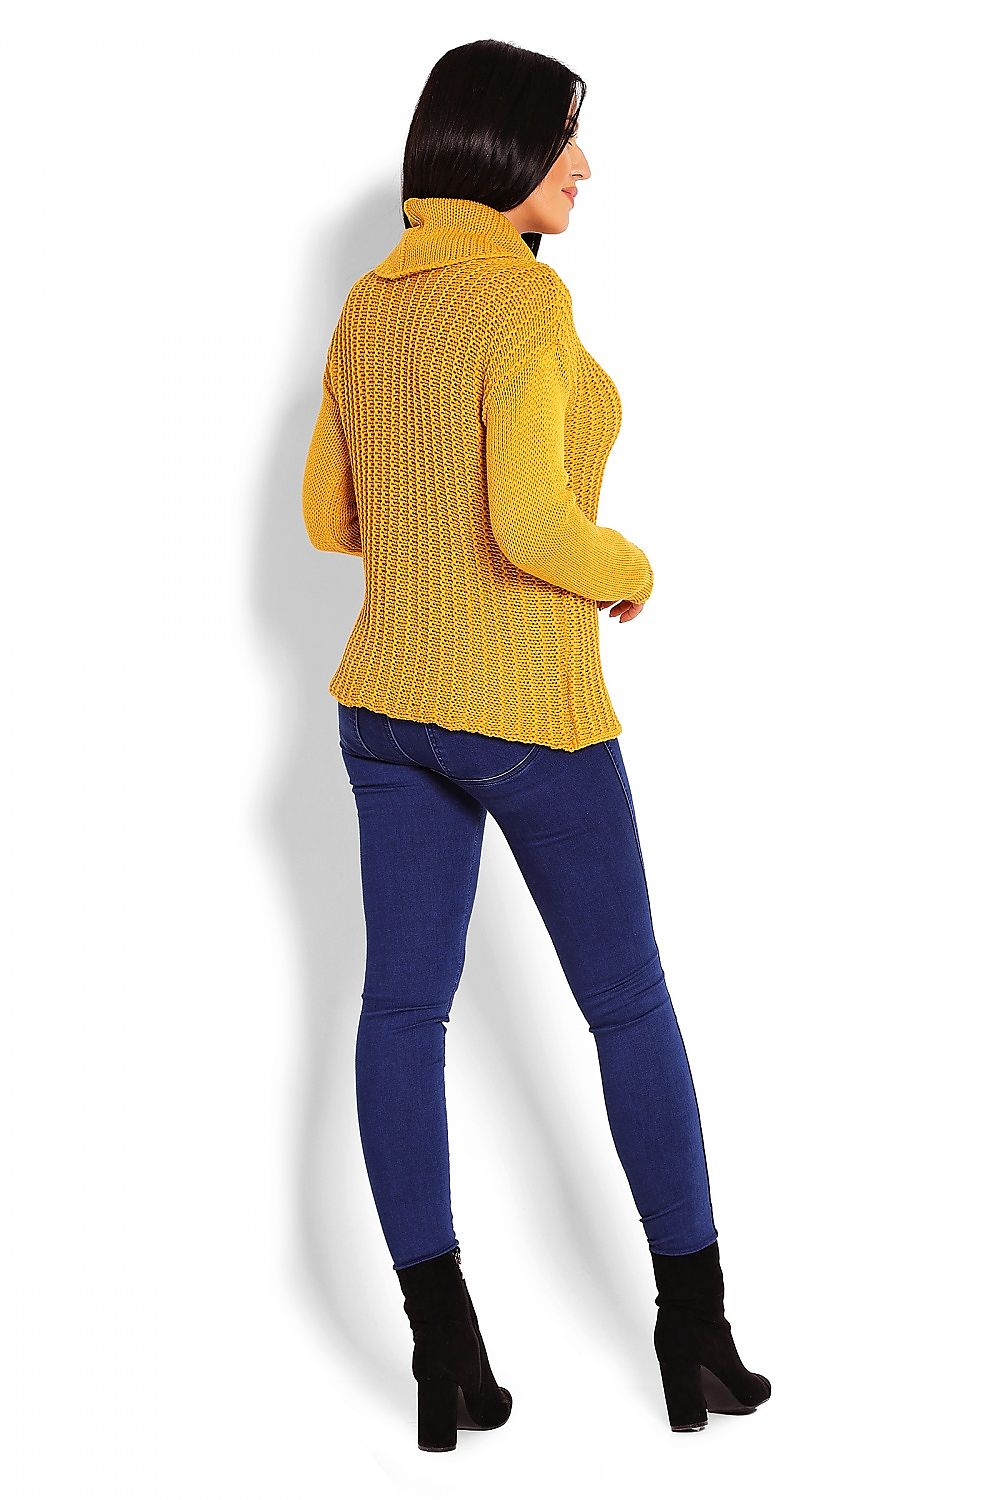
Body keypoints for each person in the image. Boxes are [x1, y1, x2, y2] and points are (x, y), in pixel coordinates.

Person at [301, 38, 770, 1451]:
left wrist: (423, 531)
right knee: (628, 1009)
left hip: (386, 710)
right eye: (566, 138)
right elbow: (533, 525)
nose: (584, 165)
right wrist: (632, 564)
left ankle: (445, 1353)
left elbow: (329, 517)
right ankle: (696, 1334)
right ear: (501, 145)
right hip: (526, 713)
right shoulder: (522, 302)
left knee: (400, 1015)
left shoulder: (370, 305)